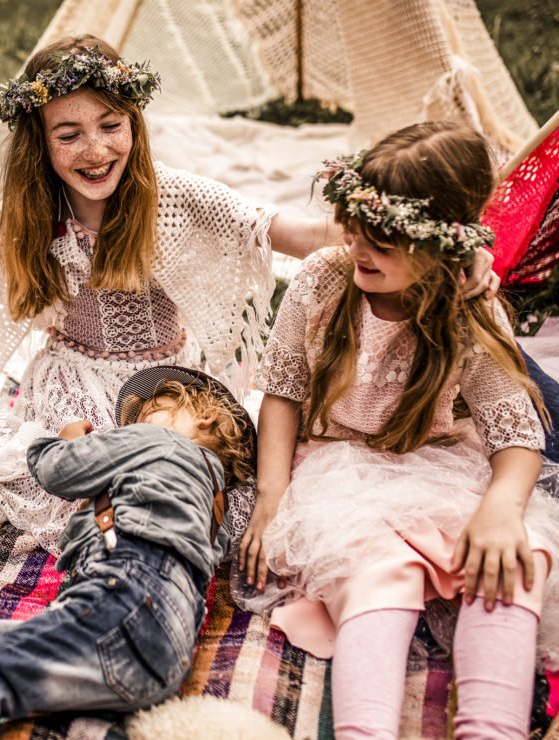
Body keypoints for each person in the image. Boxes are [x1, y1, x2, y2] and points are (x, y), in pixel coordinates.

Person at [0, 35, 498, 553]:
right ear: (40, 144)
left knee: (208, 484)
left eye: (110, 125)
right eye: (69, 134)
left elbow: (297, 233)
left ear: (134, 124)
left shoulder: (172, 197)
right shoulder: (25, 219)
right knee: (95, 485)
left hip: (172, 382)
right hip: (75, 385)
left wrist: (450, 245)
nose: (95, 150)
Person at [236, 122, 559, 739]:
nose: (359, 249)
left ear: (440, 247)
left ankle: (492, 727)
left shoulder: (469, 306)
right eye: (355, 230)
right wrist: (272, 492)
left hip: (440, 464)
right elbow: (282, 391)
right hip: (339, 467)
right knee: (378, 568)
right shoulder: (324, 281)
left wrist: (502, 506)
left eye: (382, 243)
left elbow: (514, 429)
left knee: (515, 557)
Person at [0, 365, 256, 739]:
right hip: (167, 659)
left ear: (204, 417)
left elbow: (57, 470)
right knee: (0, 647)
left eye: (151, 412)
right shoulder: (213, 506)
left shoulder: (160, 441)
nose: (134, 427)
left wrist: (66, 440)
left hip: (126, 604)